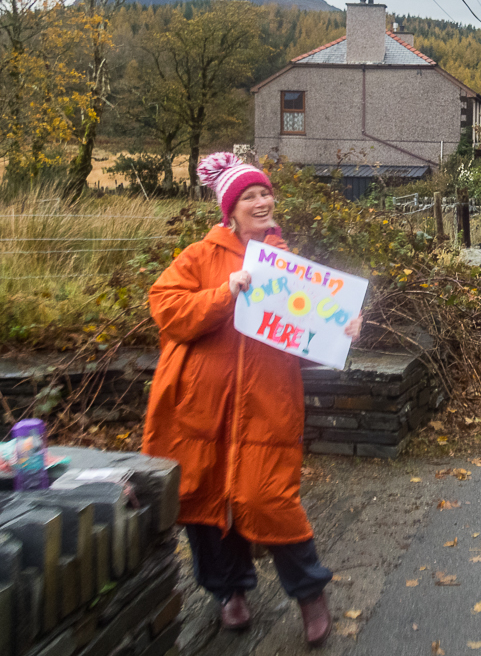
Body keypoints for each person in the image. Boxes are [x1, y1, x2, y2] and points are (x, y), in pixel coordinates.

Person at [142, 152, 363, 645]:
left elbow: (305, 345)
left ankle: (309, 594)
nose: (262, 201)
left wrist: (341, 331)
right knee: (203, 500)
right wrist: (225, 292)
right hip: (199, 409)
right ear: (230, 210)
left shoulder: (289, 267)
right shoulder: (199, 258)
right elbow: (169, 311)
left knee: (268, 499)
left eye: (265, 193)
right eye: (250, 196)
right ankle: (229, 592)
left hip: (266, 407)